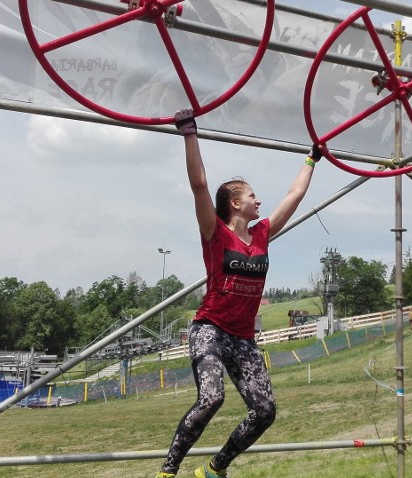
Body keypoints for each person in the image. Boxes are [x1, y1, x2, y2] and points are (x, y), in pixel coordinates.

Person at [155, 109, 321, 478]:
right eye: (252, 196)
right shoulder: (214, 231)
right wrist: (189, 133)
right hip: (210, 330)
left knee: (265, 412)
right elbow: (200, 186)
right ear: (234, 202)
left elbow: (294, 195)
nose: (259, 201)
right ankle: (168, 471)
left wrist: (313, 158)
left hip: (243, 338)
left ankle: (215, 469)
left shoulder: (261, 233)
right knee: (212, 397)